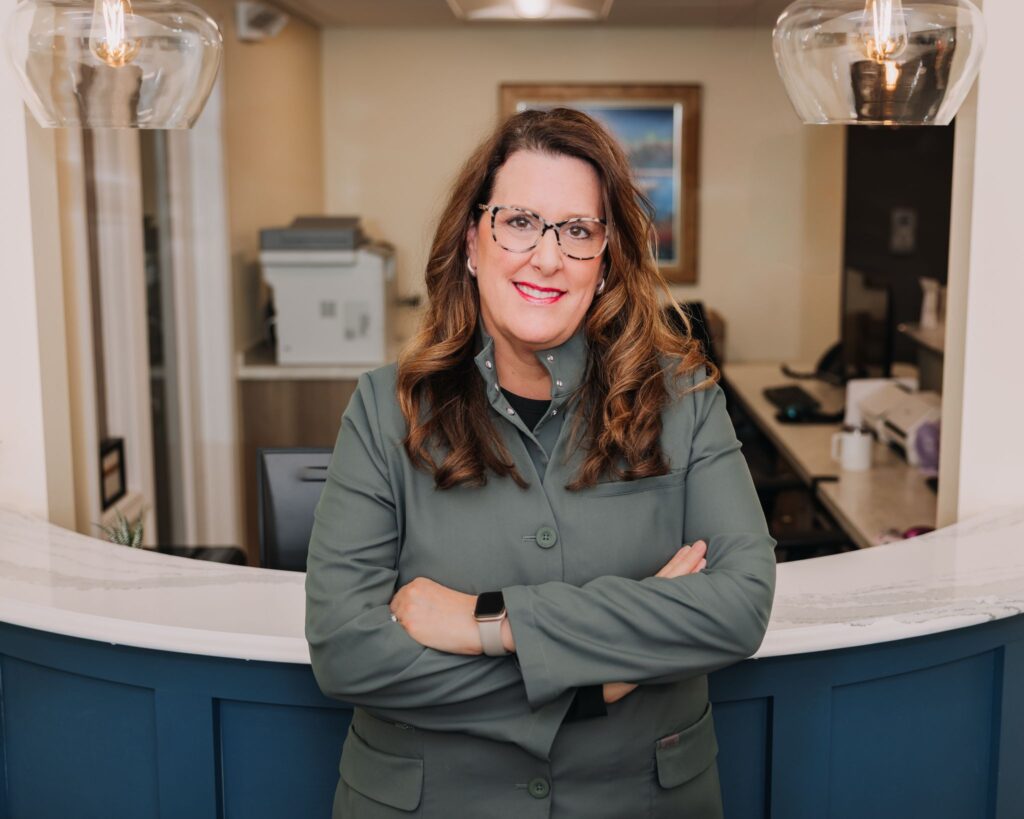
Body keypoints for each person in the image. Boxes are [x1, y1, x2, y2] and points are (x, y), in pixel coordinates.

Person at [305, 107, 777, 819]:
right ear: (472, 239)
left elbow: (739, 604)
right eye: (519, 221)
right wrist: (593, 684)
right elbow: (346, 648)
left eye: (577, 231)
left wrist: (485, 623)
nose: (547, 257)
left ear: (607, 256)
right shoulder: (383, 409)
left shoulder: (685, 398)